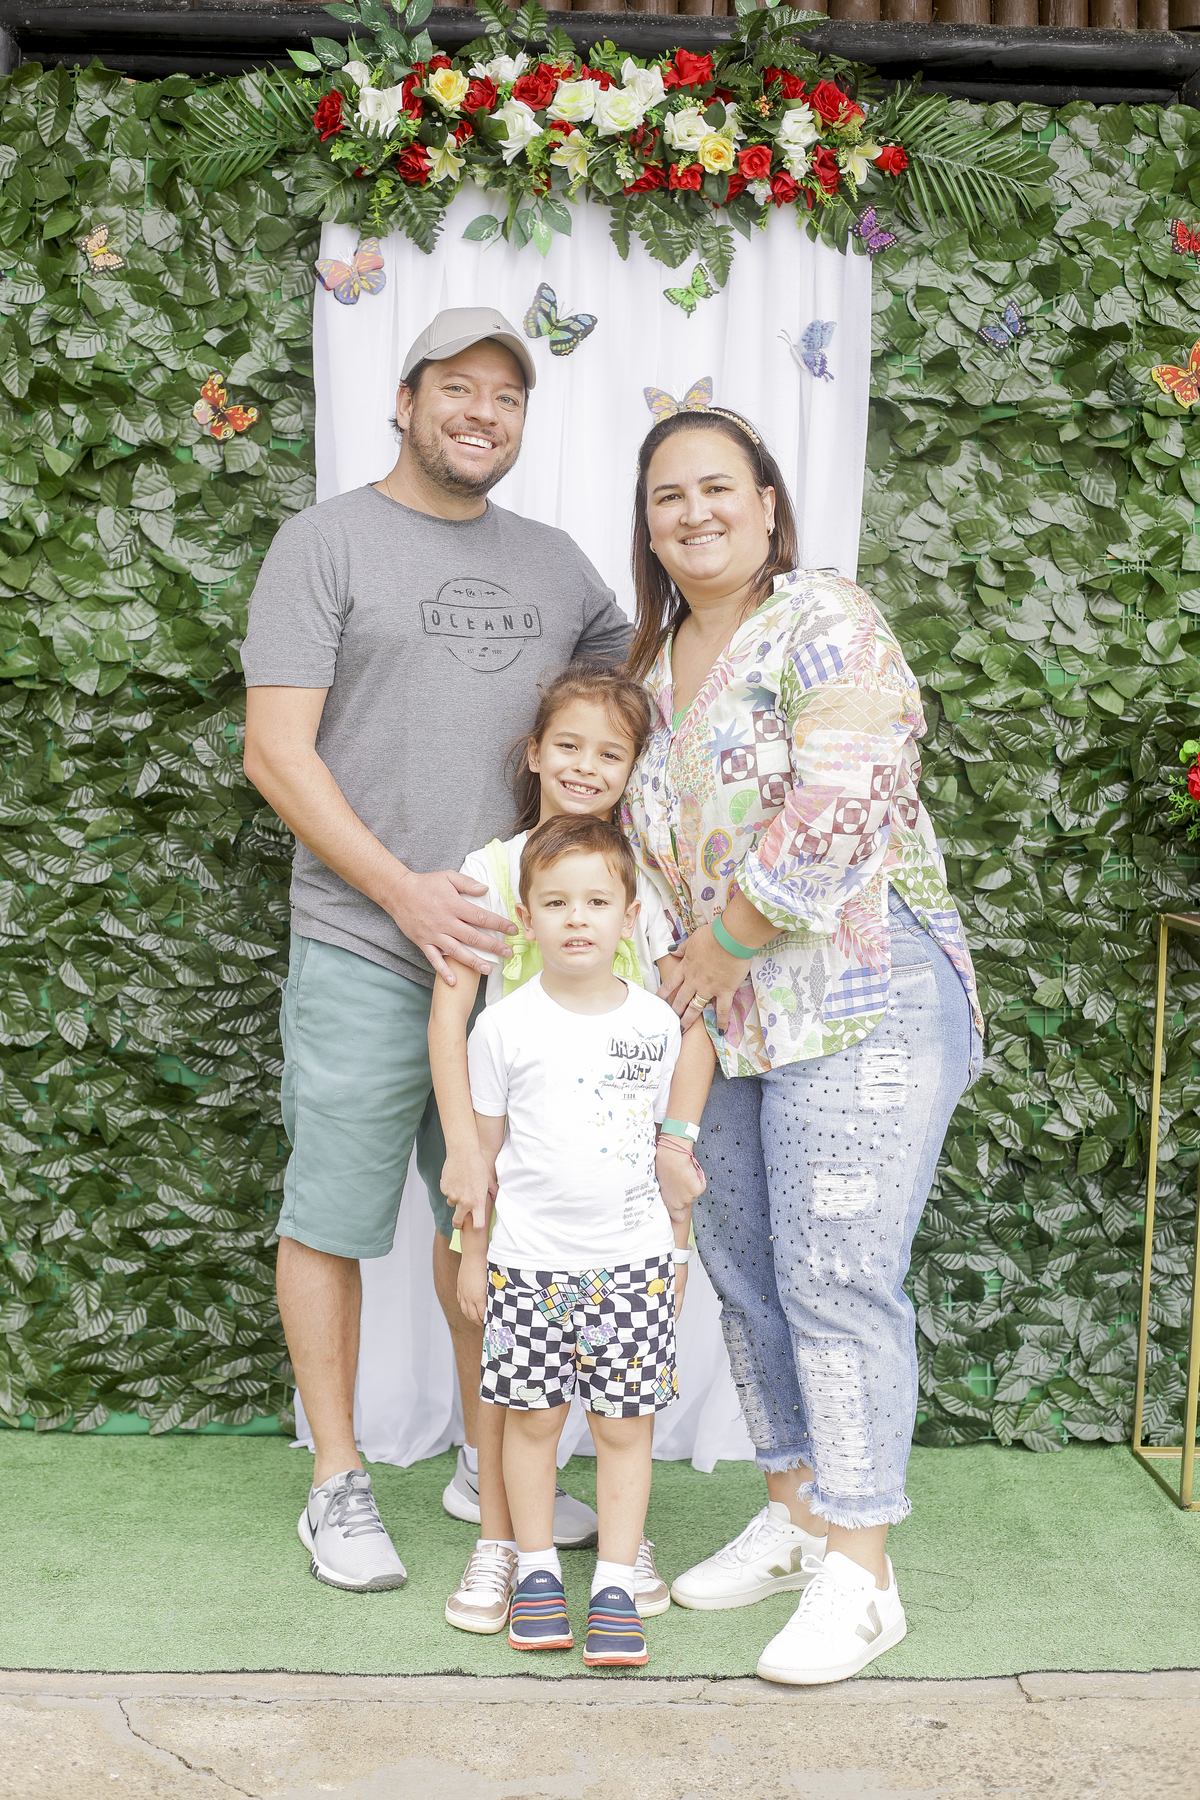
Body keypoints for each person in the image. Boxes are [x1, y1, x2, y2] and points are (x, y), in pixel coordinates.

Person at [240, 307, 632, 1592]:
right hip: (366, 942)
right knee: (333, 1216)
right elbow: (274, 753)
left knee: (494, 1225)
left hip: (514, 970)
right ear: (404, 402)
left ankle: (488, 1459)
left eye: (507, 397)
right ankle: (337, 1482)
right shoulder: (324, 543)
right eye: (458, 388)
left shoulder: (560, 567)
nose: (483, 413)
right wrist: (405, 894)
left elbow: (623, 713)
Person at [619, 406, 984, 1685]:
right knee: (746, 1271)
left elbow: (852, 790)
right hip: (727, 1024)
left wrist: (727, 938)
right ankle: (796, 1511)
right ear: (647, 526)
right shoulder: (648, 668)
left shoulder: (823, 617)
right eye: (668, 496)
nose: (695, 512)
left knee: (836, 1275)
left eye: (718, 487)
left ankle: (863, 1570)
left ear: (769, 504)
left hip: (863, 991)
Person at [430, 663, 712, 1635]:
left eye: (611, 753)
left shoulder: (639, 884)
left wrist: (676, 1151)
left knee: (619, 1396)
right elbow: (452, 1017)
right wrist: (465, 1153)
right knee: (512, 1382)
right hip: (509, 1157)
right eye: (569, 746)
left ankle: (621, 1561)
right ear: (535, 753)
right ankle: (502, 1546)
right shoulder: (492, 871)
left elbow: (688, 1022)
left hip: (617, 1187)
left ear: (634, 769)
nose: (586, 767)